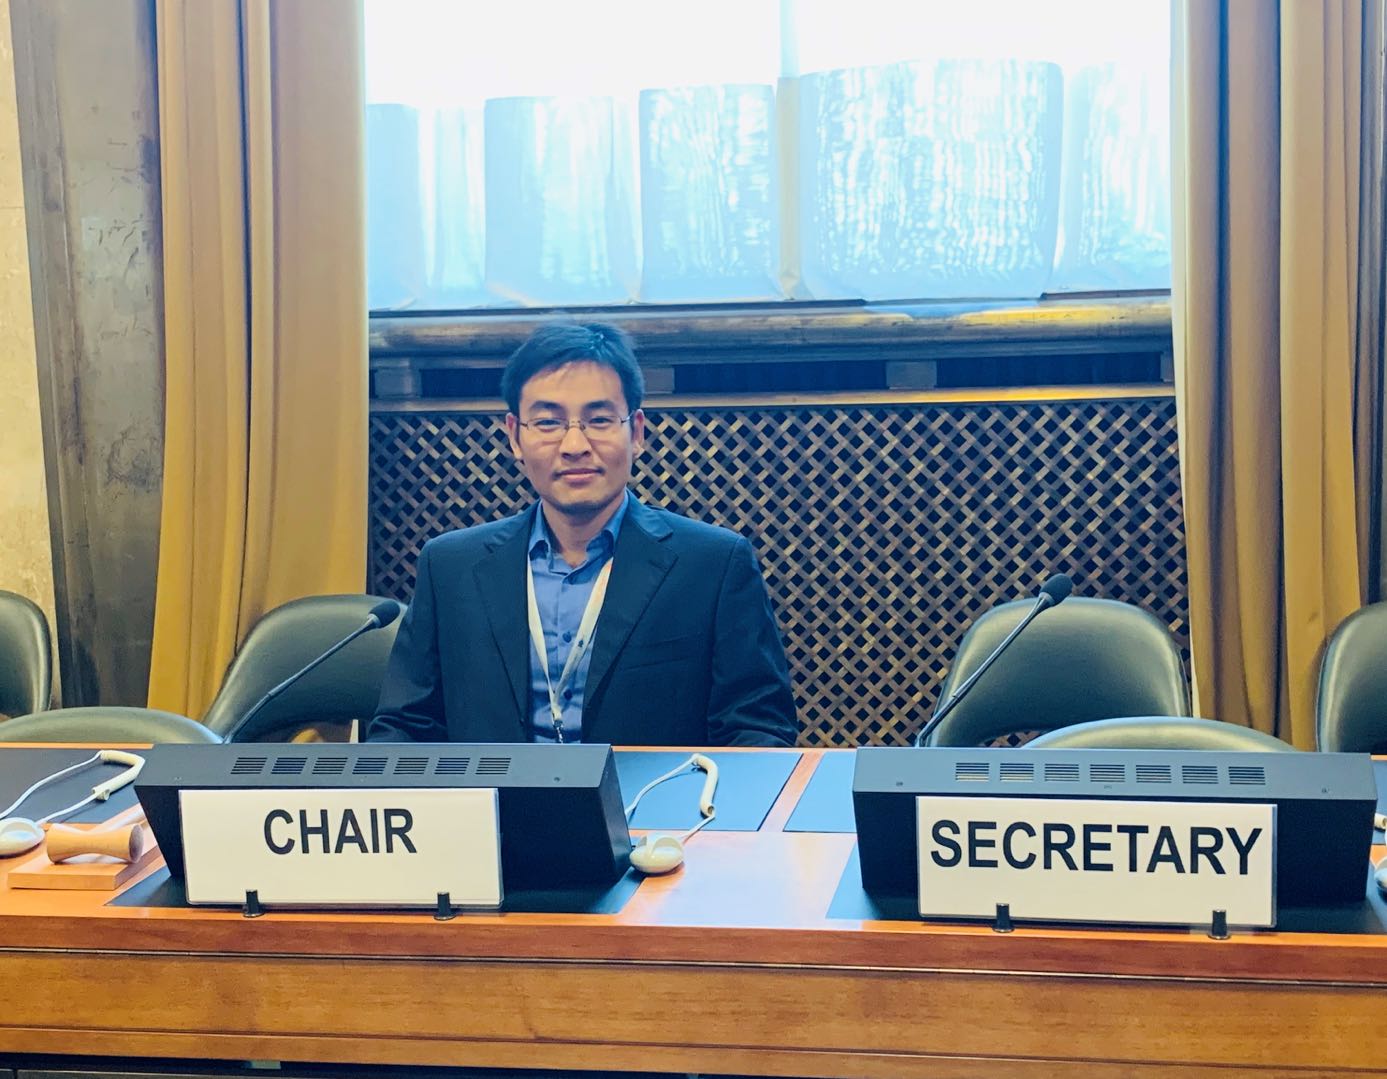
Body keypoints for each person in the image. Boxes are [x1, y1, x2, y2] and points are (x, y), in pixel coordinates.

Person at [368, 322, 797, 747]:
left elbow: (758, 731)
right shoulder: (450, 567)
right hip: (495, 795)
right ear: (515, 436)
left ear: (637, 432)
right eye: (548, 422)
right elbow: (405, 728)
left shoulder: (712, 565)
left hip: (648, 794)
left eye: (599, 420)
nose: (574, 445)